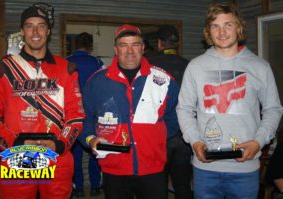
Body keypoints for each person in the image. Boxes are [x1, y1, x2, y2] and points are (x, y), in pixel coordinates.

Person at [176, 2, 283, 199]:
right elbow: (184, 109)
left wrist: (259, 142)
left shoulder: (260, 67)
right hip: (205, 168)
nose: (222, 31)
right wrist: (195, 141)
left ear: (239, 27)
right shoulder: (195, 66)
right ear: (208, 31)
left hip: (245, 168)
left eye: (228, 25)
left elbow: (273, 109)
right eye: (215, 26)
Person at [0, 3, 84, 199]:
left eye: (41, 25)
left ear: (48, 31)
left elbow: (76, 117)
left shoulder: (66, 69)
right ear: (22, 31)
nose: (35, 31)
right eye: (29, 25)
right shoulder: (3, 69)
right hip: (18, 155)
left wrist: (61, 145)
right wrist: (15, 144)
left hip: (55, 156)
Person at [82, 24, 180, 199]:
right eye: (123, 45)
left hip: (153, 167)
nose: (130, 51)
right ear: (115, 49)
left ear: (143, 48)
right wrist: (90, 140)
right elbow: (85, 120)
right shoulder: (97, 82)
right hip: (114, 168)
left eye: (135, 44)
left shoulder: (164, 80)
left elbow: (176, 117)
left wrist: (153, 138)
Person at [146, 25, 192, 199]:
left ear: (159, 43)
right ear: (177, 44)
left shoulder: (148, 65)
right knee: (183, 183)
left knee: (158, 183)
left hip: (158, 133)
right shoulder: (189, 65)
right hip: (184, 132)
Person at [67, 32, 103, 197]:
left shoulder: (66, 62)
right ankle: (95, 186)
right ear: (90, 46)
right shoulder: (97, 62)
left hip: (72, 114)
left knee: (75, 153)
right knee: (94, 150)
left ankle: (79, 188)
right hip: (93, 114)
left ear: (75, 45)